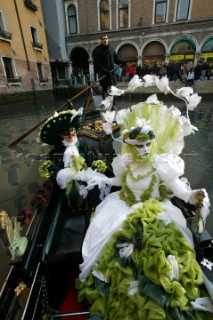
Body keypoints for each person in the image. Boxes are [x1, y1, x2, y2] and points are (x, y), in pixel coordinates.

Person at [76, 99, 212, 319]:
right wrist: (96, 178)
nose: (144, 149)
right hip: (124, 205)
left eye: (148, 144)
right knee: (107, 234)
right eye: (139, 145)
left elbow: (179, 191)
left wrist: (192, 196)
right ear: (130, 145)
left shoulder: (162, 165)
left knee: (161, 247)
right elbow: (117, 182)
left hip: (157, 208)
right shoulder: (125, 163)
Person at [38, 108, 112, 209]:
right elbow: (49, 167)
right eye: (66, 133)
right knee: (70, 196)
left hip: (87, 179)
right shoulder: (56, 151)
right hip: (66, 184)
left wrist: (94, 168)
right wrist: (60, 173)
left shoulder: (84, 145)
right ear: (60, 135)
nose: (70, 135)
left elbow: (96, 159)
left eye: (72, 131)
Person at [94, 34, 125, 100]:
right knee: (105, 91)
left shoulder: (112, 50)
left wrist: (122, 62)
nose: (105, 40)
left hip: (111, 75)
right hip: (104, 75)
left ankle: (114, 105)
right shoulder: (98, 51)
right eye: (103, 39)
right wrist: (105, 71)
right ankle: (105, 104)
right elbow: (98, 64)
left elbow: (116, 60)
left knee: (113, 90)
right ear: (101, 40)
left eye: (106, 38)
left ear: (108, 39)